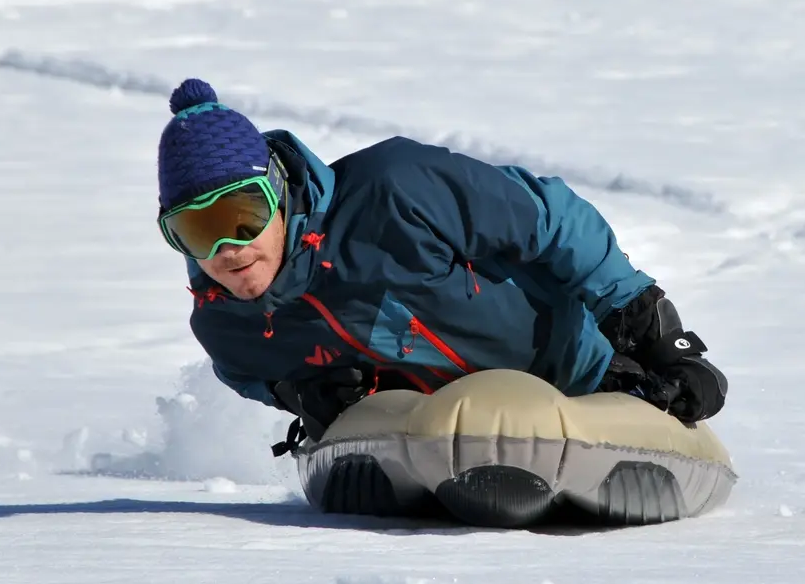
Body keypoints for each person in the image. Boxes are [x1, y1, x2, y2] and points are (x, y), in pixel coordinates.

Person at [156, 78, 727, 453]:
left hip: (587, 378)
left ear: (278, 191)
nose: (227, 248)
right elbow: (252, 373)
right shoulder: (226, 326)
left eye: (244, 214)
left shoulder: (397, 190)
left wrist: (648, 324)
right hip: (434, 436)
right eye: (195, 229)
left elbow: (550, 217)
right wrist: (298, 394)